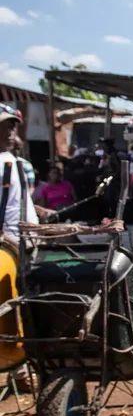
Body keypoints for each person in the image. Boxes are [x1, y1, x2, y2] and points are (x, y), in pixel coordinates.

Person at [0, 104, 39, 392]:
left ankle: (21, 369)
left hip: (23, 241)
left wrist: (39, 216)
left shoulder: (16, 162)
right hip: (9, 248)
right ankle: (19, 368)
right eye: (4, 126)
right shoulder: (4, 163)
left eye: (12, 125)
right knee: (12, 307)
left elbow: (18, 203)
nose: (11, 131)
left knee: (21, 305)